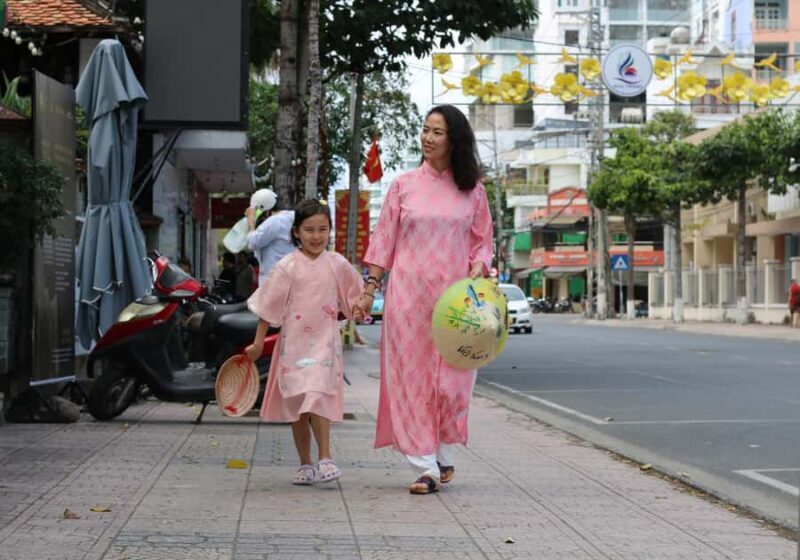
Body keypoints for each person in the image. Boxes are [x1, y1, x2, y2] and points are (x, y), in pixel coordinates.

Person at [352, 104, 493, 495]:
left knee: (453, 383)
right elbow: (383, 243)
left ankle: (445, 451)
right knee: (411, 380)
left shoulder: (473, 190)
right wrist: (368, 291)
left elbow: (483, 244)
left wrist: (480, 267)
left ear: (455, 140)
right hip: (409, 301)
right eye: (425, 130)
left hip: (457, 305)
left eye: (437, 132)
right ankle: (425, 465)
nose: (427, 138)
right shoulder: (404, 186)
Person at [245, 200, 363, 485]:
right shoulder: (287, 267)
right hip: (294, 345)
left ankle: (325, 456)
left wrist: (359, 307)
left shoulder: (337, 264)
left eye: (323, 229)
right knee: (299, 405)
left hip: (325, 342)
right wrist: (259, 343)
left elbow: (356, 296)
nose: (316, 236)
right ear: (296, 232)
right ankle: (306, 463)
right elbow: (268, 306)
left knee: (317, 395)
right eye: (309, 229)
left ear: (330, 231)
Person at [246, 188, 296, 287]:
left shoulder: (274, 221)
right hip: (290, 277)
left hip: (275, 282)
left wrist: (251, 223)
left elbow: (253, 243)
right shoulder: (291, 218)